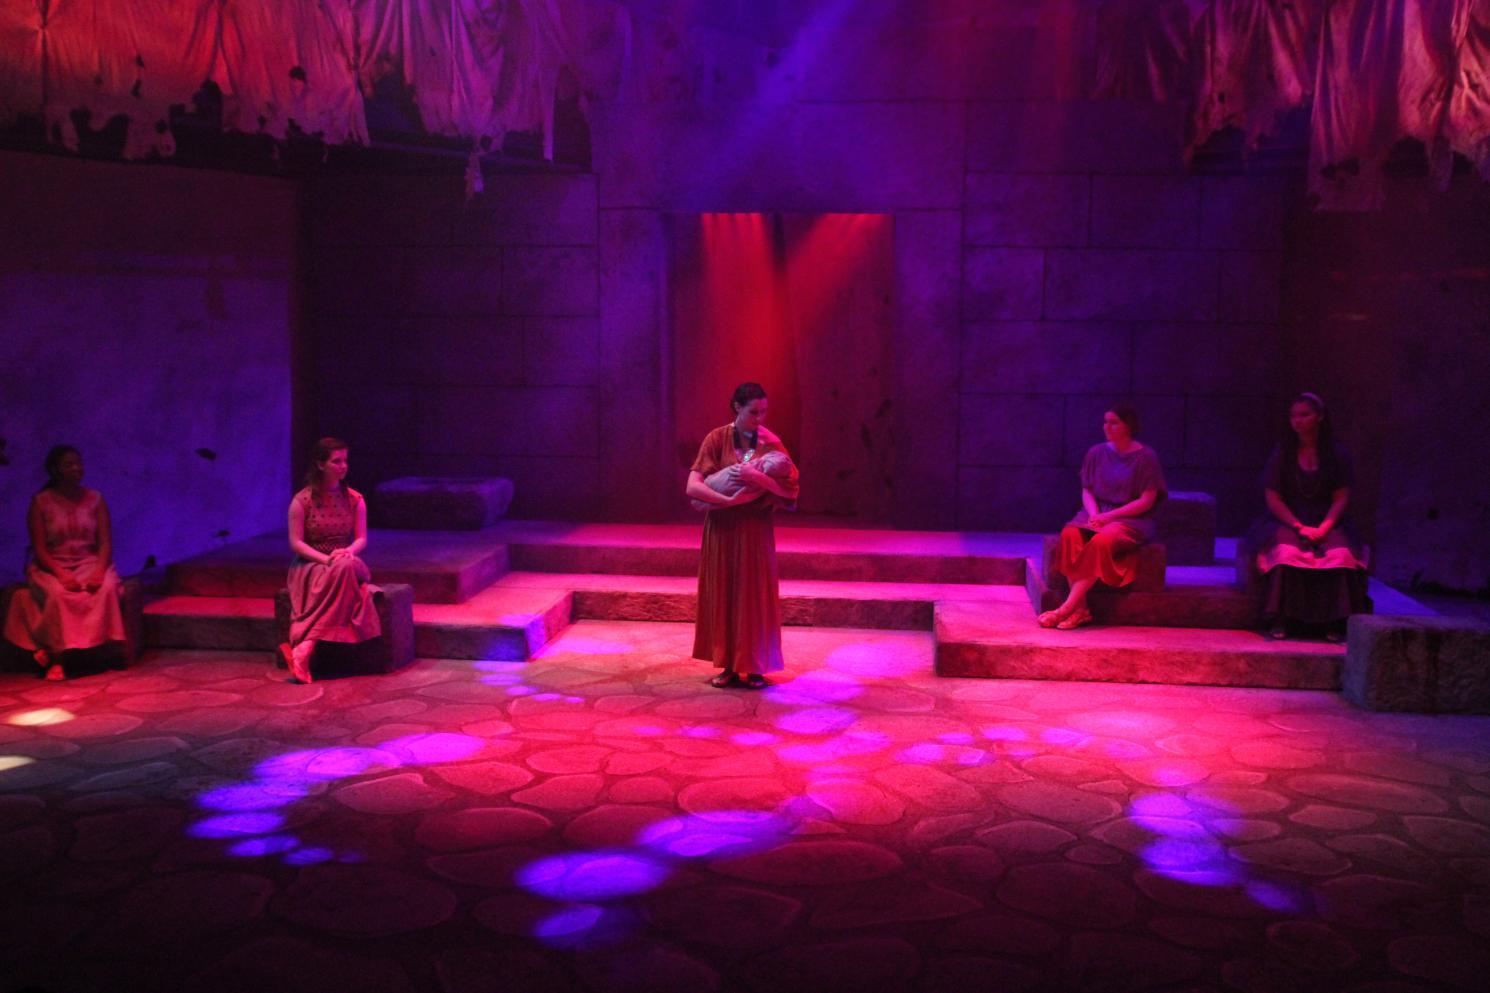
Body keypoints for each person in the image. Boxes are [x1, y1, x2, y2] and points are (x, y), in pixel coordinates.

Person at [686, 382, 800, 689]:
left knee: (754, 597)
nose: (759, 418)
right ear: (737, 407)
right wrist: (726, 501)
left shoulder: (770, 443)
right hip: (722, 529)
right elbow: (693, 485)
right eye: (753, 412)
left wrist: (758, 477)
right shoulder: (717, 438)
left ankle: (756, 665)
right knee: (725, 593)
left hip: (754, 530)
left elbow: (790, 491)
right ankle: (729, 665)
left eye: (764, 412)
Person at [1250, 392, 1368, 641]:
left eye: (1304, 415)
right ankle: (1282, 618)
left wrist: (1324, 527)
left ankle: (1335, 621)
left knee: (1339, 555)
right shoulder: (1283, 454)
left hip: (1327, 519)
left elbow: (1341, 497)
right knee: (1287, 553)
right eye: (1294, 416)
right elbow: (1273, 498)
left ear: (1320, 416)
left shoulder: (1336, 454)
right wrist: (1298, 526)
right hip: (1289, 519)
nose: (1298, 421)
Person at [1040, 404, 1167, 630]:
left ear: (1128, 425)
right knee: (1071, 535)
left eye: (1113, 422)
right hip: (1097, 513)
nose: (1106, 427)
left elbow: (1146, 501)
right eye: (1105, 422)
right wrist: (1095, 514)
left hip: (1129, 519)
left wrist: (1109, 517)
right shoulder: (1097, 453)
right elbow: (1087, 490)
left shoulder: (1146, 458)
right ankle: (1081, 610)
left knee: (1100, 542)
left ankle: (1066, 608)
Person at [3, 445, 125, 679]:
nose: (77, 468)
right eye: (69, 465)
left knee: (107, 588)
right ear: (55, 469)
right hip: (52, 564)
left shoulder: (95, 499)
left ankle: (105, 649)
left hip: (88, 562)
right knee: (59, 594)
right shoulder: (41, 503)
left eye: (78, 463)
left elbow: (104, 542)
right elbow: (40, 549)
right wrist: (61, 573)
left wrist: (99, 571)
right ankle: (57, 658)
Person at [280, 437, 380, 683]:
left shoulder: (355, 499)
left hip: (346, 560)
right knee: (344, 575)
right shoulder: (302, 501)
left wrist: (347, 552)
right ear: (320, 464)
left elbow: (361, 539)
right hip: (312, 564)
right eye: (336, 461)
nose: (343, 466)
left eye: (345, 460)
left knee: (345, 566)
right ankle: (304, 650)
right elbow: (296, 543)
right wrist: (326, 560)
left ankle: (305, 645)